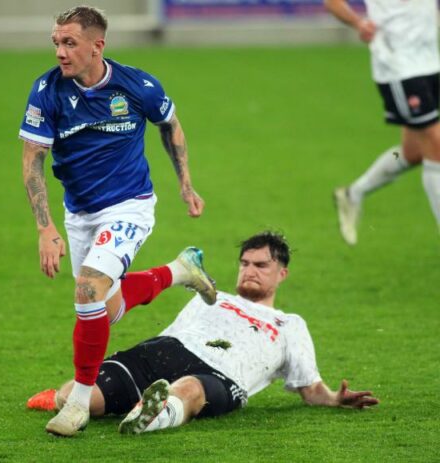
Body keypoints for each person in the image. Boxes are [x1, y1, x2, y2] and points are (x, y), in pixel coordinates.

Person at [19, 6, 210, 436]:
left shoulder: (137, 86)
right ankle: (180, 271)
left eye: (69, 43)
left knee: (87, 288)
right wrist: (46, 228)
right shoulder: (46, 91)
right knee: (102, 309)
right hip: (79, 213)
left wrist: (185, 184)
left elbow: (170, 125)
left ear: (97, 46)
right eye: (56, 42)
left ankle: (78, 406)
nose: (60, 52)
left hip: (130, 206)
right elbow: (32, 160)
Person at [27, 231, 379, 435]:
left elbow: (310, 388)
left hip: (220, 374)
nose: (250, 270)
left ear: (282, 274)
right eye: (245, 263)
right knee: (76, 395)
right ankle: (79, 400)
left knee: (189, 389)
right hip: (167, 350)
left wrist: (334, 398)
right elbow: (173, 332)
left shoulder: (289, 324)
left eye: (261, 265)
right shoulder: (210, 294)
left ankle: (149, 417)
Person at [325, 0, 440, 245]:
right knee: (436, 145)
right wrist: (358, 23)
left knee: (414, 152)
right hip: (398, 65)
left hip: (430, 61)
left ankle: (352, 194)